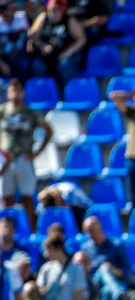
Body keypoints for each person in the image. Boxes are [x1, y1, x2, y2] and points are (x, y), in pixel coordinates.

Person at [0, 79, 52, 228]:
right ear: (8, 92)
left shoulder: (30, 112)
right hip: (6, 158)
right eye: (12, 90)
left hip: (24, 157)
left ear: (23, 93)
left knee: (27, 197)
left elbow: (49, 130)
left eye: (18, 90)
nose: (15, 94)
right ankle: (5, 228)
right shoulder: (2, 111)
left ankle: (29, 229)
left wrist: (36, 153)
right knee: (6, 197)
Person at [79, 215, 133, 300]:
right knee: (104, 269)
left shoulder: (116, 246)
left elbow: (127, 271)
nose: (90, 234)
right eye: (87, 231)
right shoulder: (86, 248)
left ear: (100, 228)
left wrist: (113, 270)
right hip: (93, 284)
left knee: (108, 290)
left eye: (92, 230)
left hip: (110, 283)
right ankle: (120, 294)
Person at [27, 0, 84, 94]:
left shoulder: (68, 19)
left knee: (65, 65)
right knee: (37, 66)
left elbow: (82, 39)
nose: (53, 13)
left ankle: (68, 93)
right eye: (51, 10)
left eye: (56, 9)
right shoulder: (44, 17)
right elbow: (33, 36)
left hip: (65, 55)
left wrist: (68, 52)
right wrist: (42, 46)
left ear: (62, 9)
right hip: (48, 55)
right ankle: (43, 93)